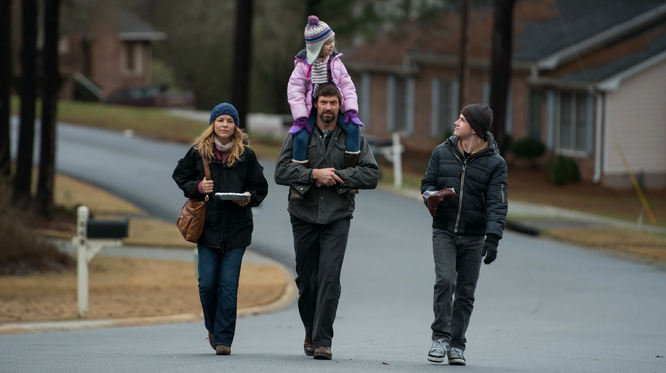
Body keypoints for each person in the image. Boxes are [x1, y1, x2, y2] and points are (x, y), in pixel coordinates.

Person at [275, 82, 380, 360]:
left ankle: (323, 340)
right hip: (303, 215)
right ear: (315, 103)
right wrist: (313, 175)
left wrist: (339, 176)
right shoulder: (300, 134)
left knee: (330, 279)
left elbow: (371, 175)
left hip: (338, 216)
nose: (328, 107)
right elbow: (280, 171)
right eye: (324, 102)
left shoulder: (352, 136)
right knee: (308, 282)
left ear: (340, 105)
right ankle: (310, 330)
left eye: (333, 103)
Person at [172, 103, 268, 356]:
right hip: (207, 229)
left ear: (236, 125)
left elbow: (260, 187)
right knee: (206, 283)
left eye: (229, 120)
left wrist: (247, 196)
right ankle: (212, 327)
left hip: (237, 230)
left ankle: (224, 339)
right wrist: (198, 187)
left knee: (228, 285)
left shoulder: (246, 155)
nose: (224, 124)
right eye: (220, 120)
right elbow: (180, 177)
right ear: (212, 124)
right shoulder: (198, 152)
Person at [421, 103, 508, 366]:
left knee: (466, 292)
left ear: (476, 129)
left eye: (462, 119)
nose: (456, 122)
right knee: (445, 281)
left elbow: (498, 202)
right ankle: (440, 337)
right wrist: (433, 197)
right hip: (444, 230)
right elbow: (427, 184)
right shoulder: (440, 152)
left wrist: (493, 238)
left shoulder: (496, 164)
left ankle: (457, 345)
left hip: (474, 236)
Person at [286, 15, 364, 200]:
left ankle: (349, 178)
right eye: (327, 43)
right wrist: (301, 117)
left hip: (337, 108)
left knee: (353, 130)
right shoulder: (303, 66)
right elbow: (295, 91)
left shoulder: (336, 63)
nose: (332, 46)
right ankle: (299, 184)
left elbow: (348, 87)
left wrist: (351, 109)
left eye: (332, 42)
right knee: (301, 136)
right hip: (312, 109)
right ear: (316, 46)